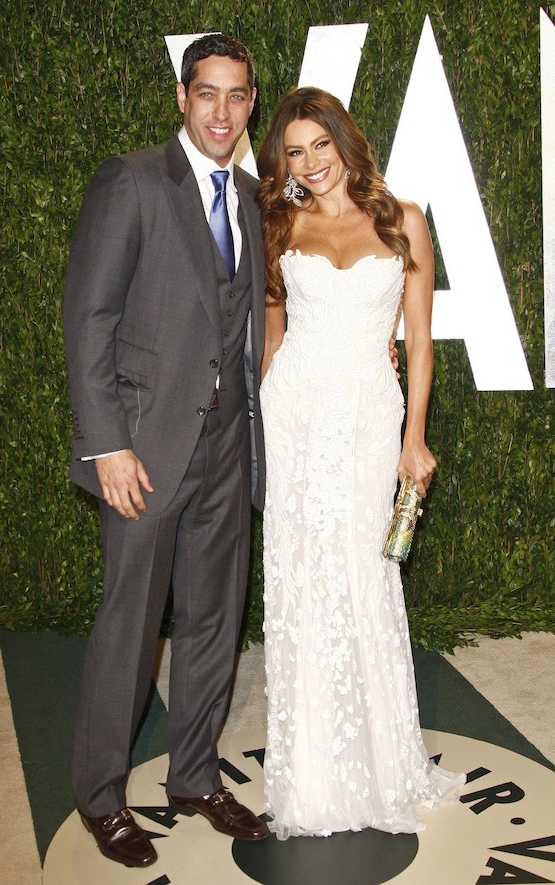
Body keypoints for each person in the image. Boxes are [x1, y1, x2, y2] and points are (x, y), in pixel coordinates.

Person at [63, 34, 269, 868]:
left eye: (237, 95)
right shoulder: (133, 180)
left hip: (228, 444)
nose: (222, 111)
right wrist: (107, 443)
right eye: (207, 93)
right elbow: (89, 318)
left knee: (214, 619)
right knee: (131, 624)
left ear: (251, 104)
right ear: (182, 98)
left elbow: (251, 320)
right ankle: (100, 796)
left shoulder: (251, 196)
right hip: (144, 449)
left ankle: (194, 777)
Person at [256, 87, 465, 840]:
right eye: (295, 152)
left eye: (321, 144)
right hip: (294, 414)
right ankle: (310, 773)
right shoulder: (281, 224)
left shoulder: (403, 220)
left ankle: (382, 763)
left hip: (372, 416)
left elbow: (419, 343)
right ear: (283, 163)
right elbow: (272, 338)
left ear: (346, 142)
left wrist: (415, 437)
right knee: (300, 577)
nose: (311, 162)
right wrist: (257, 427)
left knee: (363, 574)